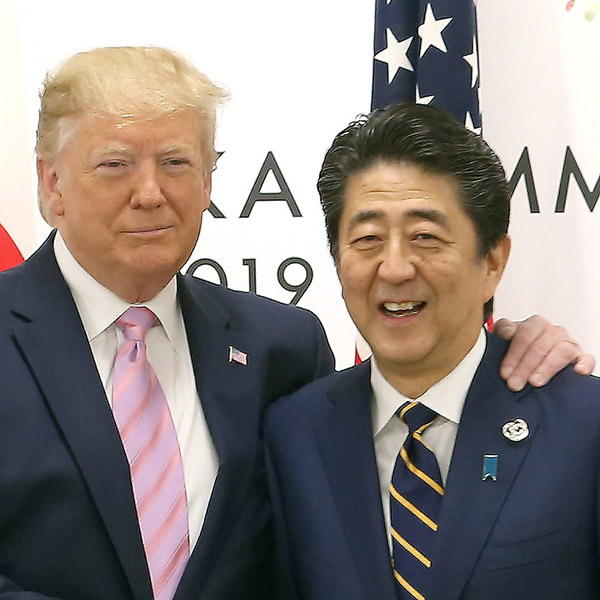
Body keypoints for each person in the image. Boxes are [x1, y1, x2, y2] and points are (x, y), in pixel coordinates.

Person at [0, 46, 590, 600]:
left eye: (176, 162)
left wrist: (518, 346)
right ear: (52, 183)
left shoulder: (279, 350)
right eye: (115, 165)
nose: (150, 193)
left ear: (207, 182)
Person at [265, 103, 600, 600]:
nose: (395, 268)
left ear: (492, 261)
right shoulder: (294, 434)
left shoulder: (584, 423)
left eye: (425, 237)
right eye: (367, 239)